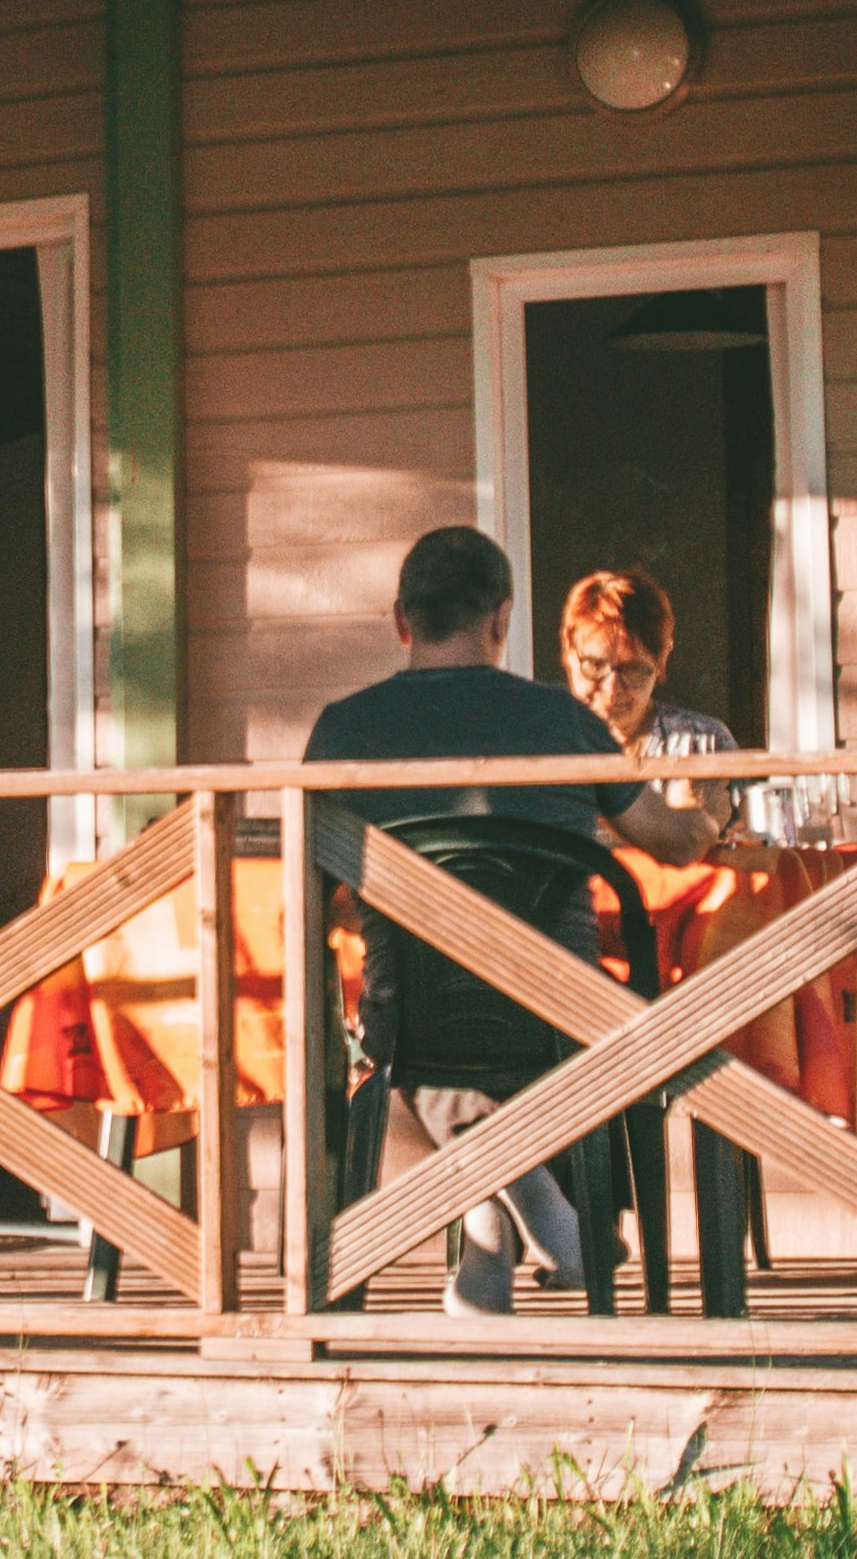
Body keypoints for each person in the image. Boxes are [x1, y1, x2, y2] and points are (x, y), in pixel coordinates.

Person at [303, 527, 740, 1312]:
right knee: (496, 1030)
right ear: (502, 620)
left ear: (403, 619)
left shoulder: (343, 729)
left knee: (406, 1029)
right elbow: (671, 846)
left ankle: (496, 1229)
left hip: (411, 1018)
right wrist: (709, 816)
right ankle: (538, 1217)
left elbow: (315, 892)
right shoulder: (565, 723)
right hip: (563, 1012)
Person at [558, 568, 745, 813]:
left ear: (661, 659)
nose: (612, 688)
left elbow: (746, 841)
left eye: (633, 670)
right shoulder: (547, 742)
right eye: (594, 665)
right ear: (568, 651)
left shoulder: (704, 743)